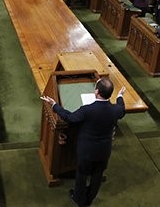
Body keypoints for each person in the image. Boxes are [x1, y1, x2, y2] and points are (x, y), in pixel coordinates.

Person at [40, 77, 127, 207]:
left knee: (82, 174)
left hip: (87, 151)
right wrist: (120, 96)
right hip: (104, 150)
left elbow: (69, 117)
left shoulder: (87, 110)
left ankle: (79, 198)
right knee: (97, 175)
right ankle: (90, 198)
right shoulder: (115, 110)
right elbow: (121, 108)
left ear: (97, 92)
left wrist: (54, 105)